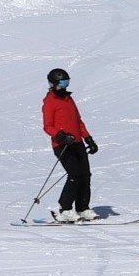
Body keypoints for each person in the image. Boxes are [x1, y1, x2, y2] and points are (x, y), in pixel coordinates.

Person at [42, 67, 99, 223]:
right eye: (62, 83)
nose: (64, 86)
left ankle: (82, 208)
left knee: (85, 175)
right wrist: (61, 135)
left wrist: (88, 139)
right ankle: (65, 209)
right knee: (74, 175)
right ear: (53, 84)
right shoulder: (50, 102)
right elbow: (47, 126)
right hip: (63, 145)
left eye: (67, 83)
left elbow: (78, 122)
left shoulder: (68, 99)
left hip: (77, 143)